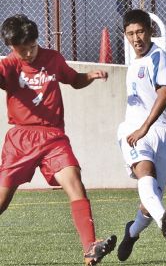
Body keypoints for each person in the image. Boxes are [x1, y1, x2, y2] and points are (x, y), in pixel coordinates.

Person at [0, 14, 116, 266]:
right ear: (11, 47)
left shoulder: (53, 58)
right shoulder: (9, 65)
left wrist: (90, 76)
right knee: (1, 201)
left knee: (74, 180)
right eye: (22, 50)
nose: (28, 54)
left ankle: (90, 248)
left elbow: (73, 80)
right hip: (21, 138)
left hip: (53, 136)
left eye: (31, 47)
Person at [117, 9, 166, 261]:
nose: (136, 38)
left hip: (161, 133)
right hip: (132, 130)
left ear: (150, 31)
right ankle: (165, 216)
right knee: (145, 173)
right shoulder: (133, 62)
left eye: (140, 31)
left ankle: (131, 232)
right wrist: (139, 129)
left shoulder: (157, 57)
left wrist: (146, 127)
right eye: (130, 33)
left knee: (148, 201)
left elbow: (164, 93)